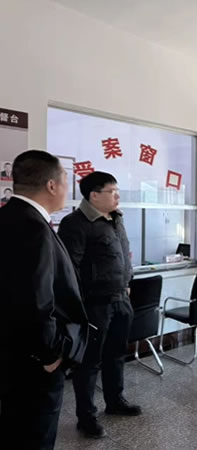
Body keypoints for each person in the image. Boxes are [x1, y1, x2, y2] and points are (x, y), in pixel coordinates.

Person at [0, 150, 88, 449]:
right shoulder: (33, 228)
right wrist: (49, 355)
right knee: (35, 433)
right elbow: (35, 301)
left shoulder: (8, 216)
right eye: (66, 180)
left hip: (12, 352)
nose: (67, 188)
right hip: (33, 363)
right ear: (52, 185)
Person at [58, 172, 141, 439]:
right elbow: (70, 269)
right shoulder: (75, 224)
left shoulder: (116, 218)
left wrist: (126, 283)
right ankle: (87, 417)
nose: (118, 196)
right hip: (95, 305)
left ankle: (115, 401)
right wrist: (80, 307)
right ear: (94, 195)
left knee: (116, 354)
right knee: (89, 362)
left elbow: (123, 256)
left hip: (121, 299)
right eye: (112, 191)